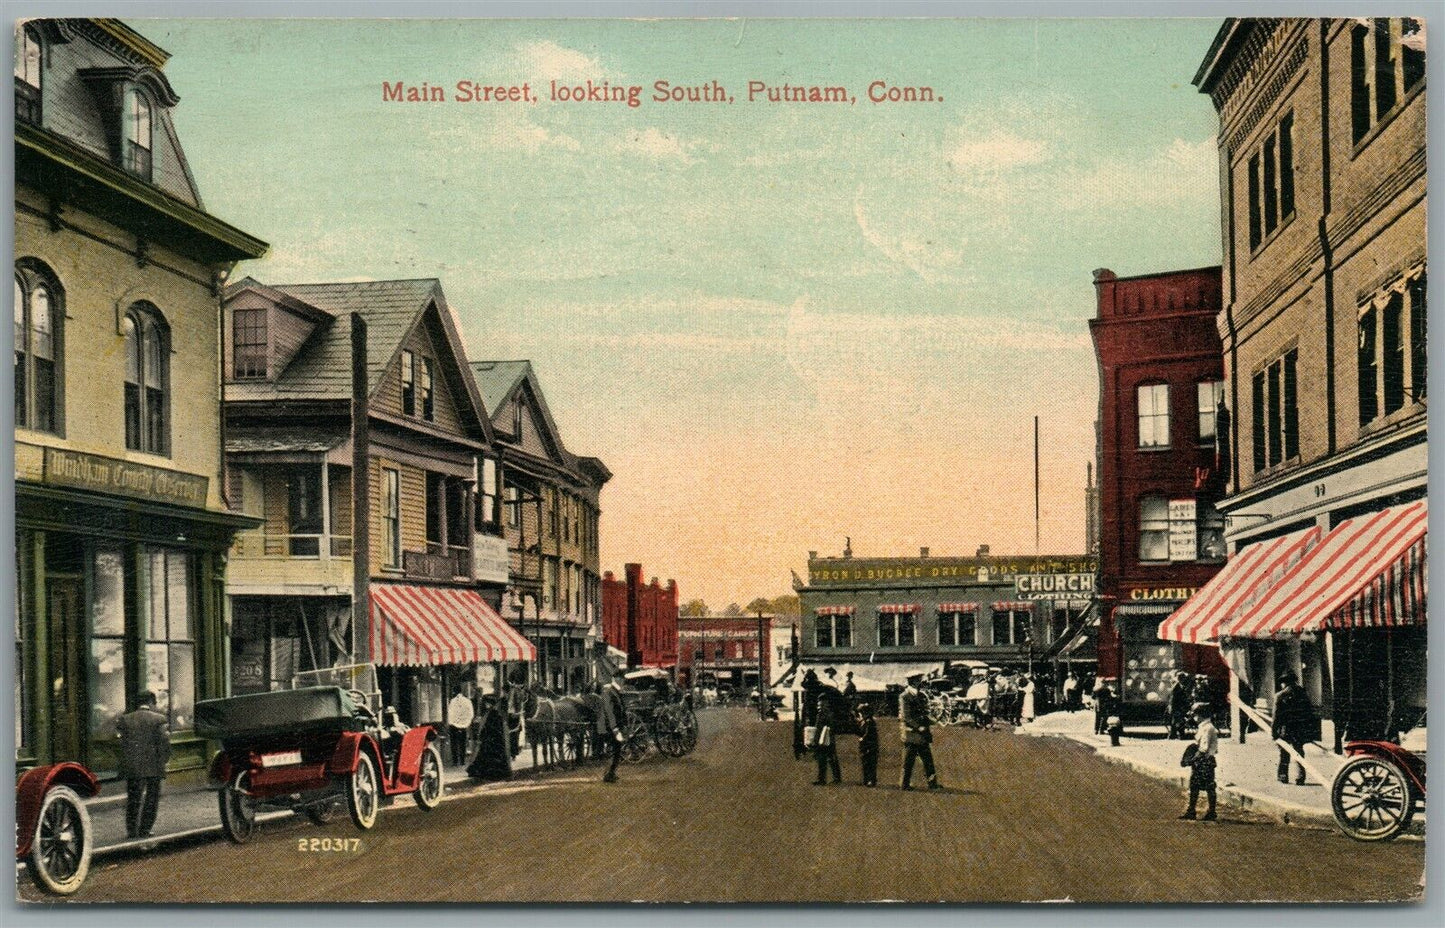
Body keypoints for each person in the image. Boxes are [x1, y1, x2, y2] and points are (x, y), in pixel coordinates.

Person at [116, 691, 170, 840]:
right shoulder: (159, 719)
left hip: (133, 766)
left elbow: (121, 744)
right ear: (152, 702)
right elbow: (164, 743)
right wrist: (163, 761)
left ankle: (132, 830)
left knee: (134, 798)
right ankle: (145, 829)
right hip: (154, 765)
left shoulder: (125, 719)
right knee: (152, 799)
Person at [1272, 671, 1317, 785]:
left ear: (1284, 683)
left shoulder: (1280, 696)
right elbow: (1310, 713)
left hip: (1285, 729)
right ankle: (1300, 777)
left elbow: (1276, 716)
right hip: (1299, 728)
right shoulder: (1302, 693)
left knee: (1284, 754)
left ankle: (1283, 776)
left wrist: (1274, 732)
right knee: (1299, 753)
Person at [899, 673, 941, 790]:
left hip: (921, 734)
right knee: (908, 761)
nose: (920, 682)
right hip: (912, 733)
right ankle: (904, 784)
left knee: (928, 760)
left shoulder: (920, 695)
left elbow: (923, 713)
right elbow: (906, 717)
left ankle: (932, 783)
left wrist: (931, 721)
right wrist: (919, 727)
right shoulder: (904, 696)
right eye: (918, 680)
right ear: (913, 682)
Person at [1180, 701, 1218, 821]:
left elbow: (1203, 748)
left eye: (1195, 714)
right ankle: (1196, 810)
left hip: (1204, 760)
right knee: (1199, 786)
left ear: (1201, 714)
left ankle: (1209, 811)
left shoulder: (1207, 728)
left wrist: (1191, 760)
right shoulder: (1204, 727)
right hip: (1205, 760)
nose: (1194, 717)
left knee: (1207, 787)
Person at [598, 675, 627, 783]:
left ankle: (611, 772)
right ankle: (608, 774)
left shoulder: (615, 691)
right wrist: (614, 728)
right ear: (617, 679)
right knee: (613, 749)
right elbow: (609, 712)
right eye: (622, 680)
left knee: (616, 749)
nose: (623, 682)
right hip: (609, 727)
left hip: (614, 726)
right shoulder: (608, 692)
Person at [812, 695, 842, 785]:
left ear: (826, 705)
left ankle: (836, 778)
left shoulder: (829, 715)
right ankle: (822, 779)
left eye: (821, 705)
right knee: (822, 760)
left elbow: (831, 728)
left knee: (831, 759)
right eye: (818, 706)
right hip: (821, 740)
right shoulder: (820, 715)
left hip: (828, 740)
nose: (819, 708)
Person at [447, 686, 476, 767]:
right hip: (463, 725)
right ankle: (462, 761)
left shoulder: (452, 701)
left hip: (453, 725)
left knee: (454, 744)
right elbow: (471, 713)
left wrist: (451, 722)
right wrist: (467, 722)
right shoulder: (467, 701)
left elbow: (450, 713)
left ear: (454, 692)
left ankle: (455, 761)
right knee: (462, 743)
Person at [855, 702, 879, 787]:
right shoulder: (864, 721)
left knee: (870, 764)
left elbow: (868, 733)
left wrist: (863, 738)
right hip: (865, 747)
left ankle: (871, 780)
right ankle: (866, 780)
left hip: (870, 746)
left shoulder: (869, 722)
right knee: (865, 763)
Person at [1167, 673, 1193, 740]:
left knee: (1176, 721)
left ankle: (1173, 735)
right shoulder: (1176, 687)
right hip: (1176, 707)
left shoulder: (1180, 685)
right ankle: (1180, 735)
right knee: (1179, 721)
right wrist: (1172, 708)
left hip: (1178, 707)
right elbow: (1173, 699)